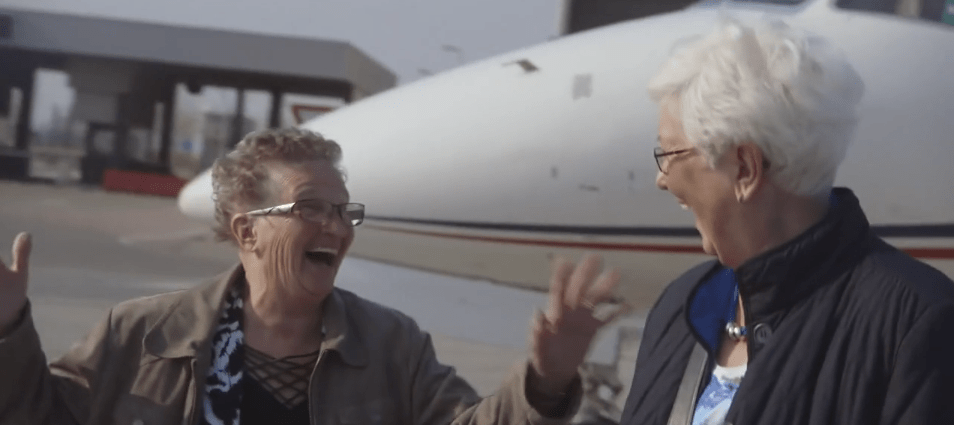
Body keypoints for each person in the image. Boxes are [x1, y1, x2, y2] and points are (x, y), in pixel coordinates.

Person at [0, 128, 628, 425]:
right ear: (247, 231)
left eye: (343, 211)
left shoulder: (392, 347)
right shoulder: (139, 335)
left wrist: (544, 384)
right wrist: (7, 331)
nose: (336, 227)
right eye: (310, 209)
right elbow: (35, 415)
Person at [616, 18, 954, 425]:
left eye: (670, 155)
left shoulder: (914, 325)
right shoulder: (679, 308)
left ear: (745, 168)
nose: (662, 180)